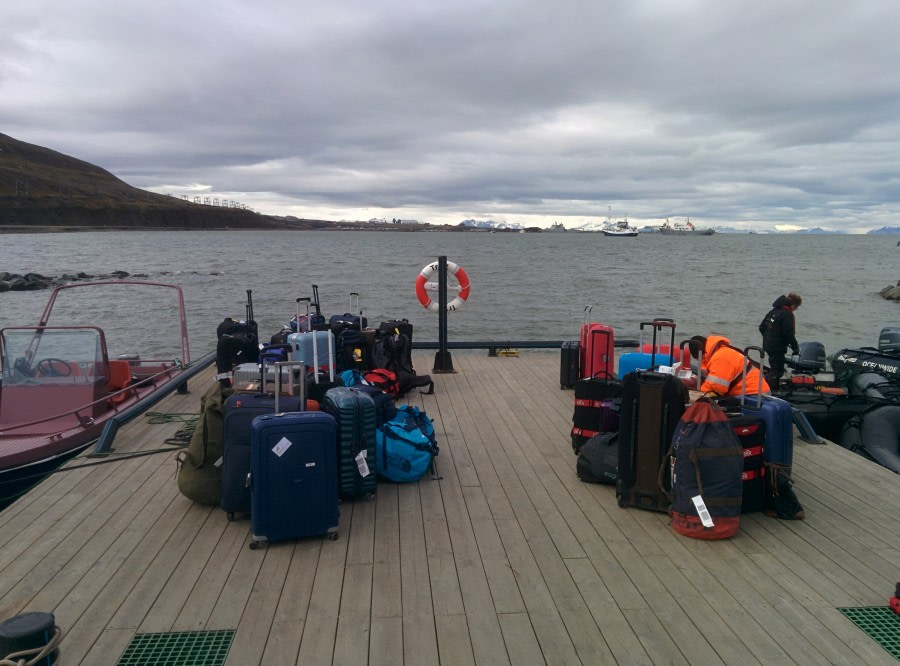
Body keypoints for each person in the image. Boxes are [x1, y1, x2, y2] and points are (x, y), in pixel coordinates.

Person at [688, 334, 770, 398]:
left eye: (699, 359)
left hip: (755, 395)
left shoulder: (720, 357)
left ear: (702, 354)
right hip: (752, 392)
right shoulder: (722, 351)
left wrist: (696, 394)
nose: (701, 362)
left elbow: (716, 387)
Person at [758, 292, 802, 388]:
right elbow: (788, 332)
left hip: (767, 345)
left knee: (774, 367)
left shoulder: (773, 312)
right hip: (777, 347)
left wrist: (768, 337)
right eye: (796, 307)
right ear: (793, 305)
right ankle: (772, 392)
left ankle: (769, 387)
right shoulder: (787, 314)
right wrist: (795, 347)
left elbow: (761, 327)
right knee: (777, 371)